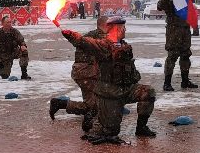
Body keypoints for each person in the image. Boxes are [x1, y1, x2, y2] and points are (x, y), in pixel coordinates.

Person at [61, 16, 157, 145]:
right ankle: (93, 122)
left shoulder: (124, 45)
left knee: (148, 92)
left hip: (127, 89)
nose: (125, 30)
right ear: (115, 29)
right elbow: (85, 42)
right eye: (122, 28)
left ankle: (141, 128)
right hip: (110, 93)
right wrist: (72, 36)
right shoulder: (103, 45)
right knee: (110, 131)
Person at [49, 15, 106, 131]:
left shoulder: (92, 34)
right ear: (104, 25)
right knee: (95, 107)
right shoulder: (101, 36)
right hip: (88, 73)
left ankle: (61, 104)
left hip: (84, 72)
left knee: (93, 103)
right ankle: (86, 119)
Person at [0, 14, 30, 79]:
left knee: (24, 51)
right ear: (3, 23)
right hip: (4, 55)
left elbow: (21, 40)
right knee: (4, 76)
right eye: (7, 22)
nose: (9, 24)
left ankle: (24, 73)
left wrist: (23, 45)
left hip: (14, 52)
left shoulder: (14, 31)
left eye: (10, 22)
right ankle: (4, 70)